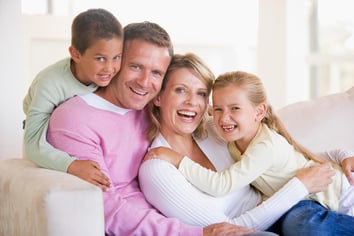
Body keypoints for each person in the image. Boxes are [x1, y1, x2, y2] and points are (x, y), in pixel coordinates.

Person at [46, 21, 261, 236]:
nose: (145, 82)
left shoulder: (146, 106)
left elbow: (193, 106)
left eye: (156, 72)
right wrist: (194, 233)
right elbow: (104, 207)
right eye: (136, 66)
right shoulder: (74, 118)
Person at [139, 53, 339, 232]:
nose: (192, 102)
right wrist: (299, 186)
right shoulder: (157, 169)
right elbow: (227, 231)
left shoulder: (214, 130)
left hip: (299, 206)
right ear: (158, 97)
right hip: (278, 219)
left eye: (201, 93)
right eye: (180, 90)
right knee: (306, 227)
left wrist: (342, 155)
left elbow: (289, 152)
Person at [23, 8, 123, 190]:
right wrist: (71, 165)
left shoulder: (110, 75)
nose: (110, 68)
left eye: (116, 57)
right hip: (44, 137)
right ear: (76, 54)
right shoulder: (49, 83)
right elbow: (32, 144)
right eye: (100, 58)